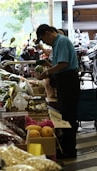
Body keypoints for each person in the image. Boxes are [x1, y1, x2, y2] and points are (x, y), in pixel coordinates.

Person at [36, 24, 80, 159]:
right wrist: (47, 65)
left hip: (68, 81)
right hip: (64, 81)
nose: (45, 43)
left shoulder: (61, 41)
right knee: (66, 115)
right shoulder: (58, 43)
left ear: (48, 33)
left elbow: (64, 64)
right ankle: (66, 147)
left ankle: (69, 150)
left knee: (69, 116)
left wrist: (47, 72)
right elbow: (59, 64)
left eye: (43, 40)